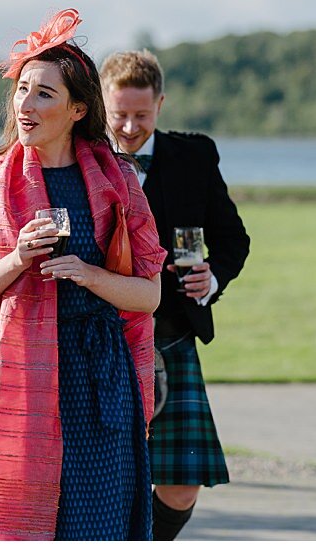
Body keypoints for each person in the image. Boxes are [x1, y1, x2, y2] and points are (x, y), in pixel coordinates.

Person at [0, 9, 167, 541]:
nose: (25, 104)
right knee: (16, 524)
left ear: (78, 109)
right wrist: (18, 258)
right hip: (18, 384)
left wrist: (90, 275)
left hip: (98, 382)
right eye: (22, 89)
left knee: (98, 524)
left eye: (44, 93)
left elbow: (149, 295)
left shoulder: (120, 183)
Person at [99, 49, 251, 541]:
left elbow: (233, 240)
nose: (128, 126)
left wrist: (213, 279)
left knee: (182, 484)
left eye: (141, 115)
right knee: (99, 475)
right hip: (101, 336)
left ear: (160, 104)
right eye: (118, 114)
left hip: (171, 333)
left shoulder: (194, 155)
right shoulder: (79, 159)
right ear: (100, 104)